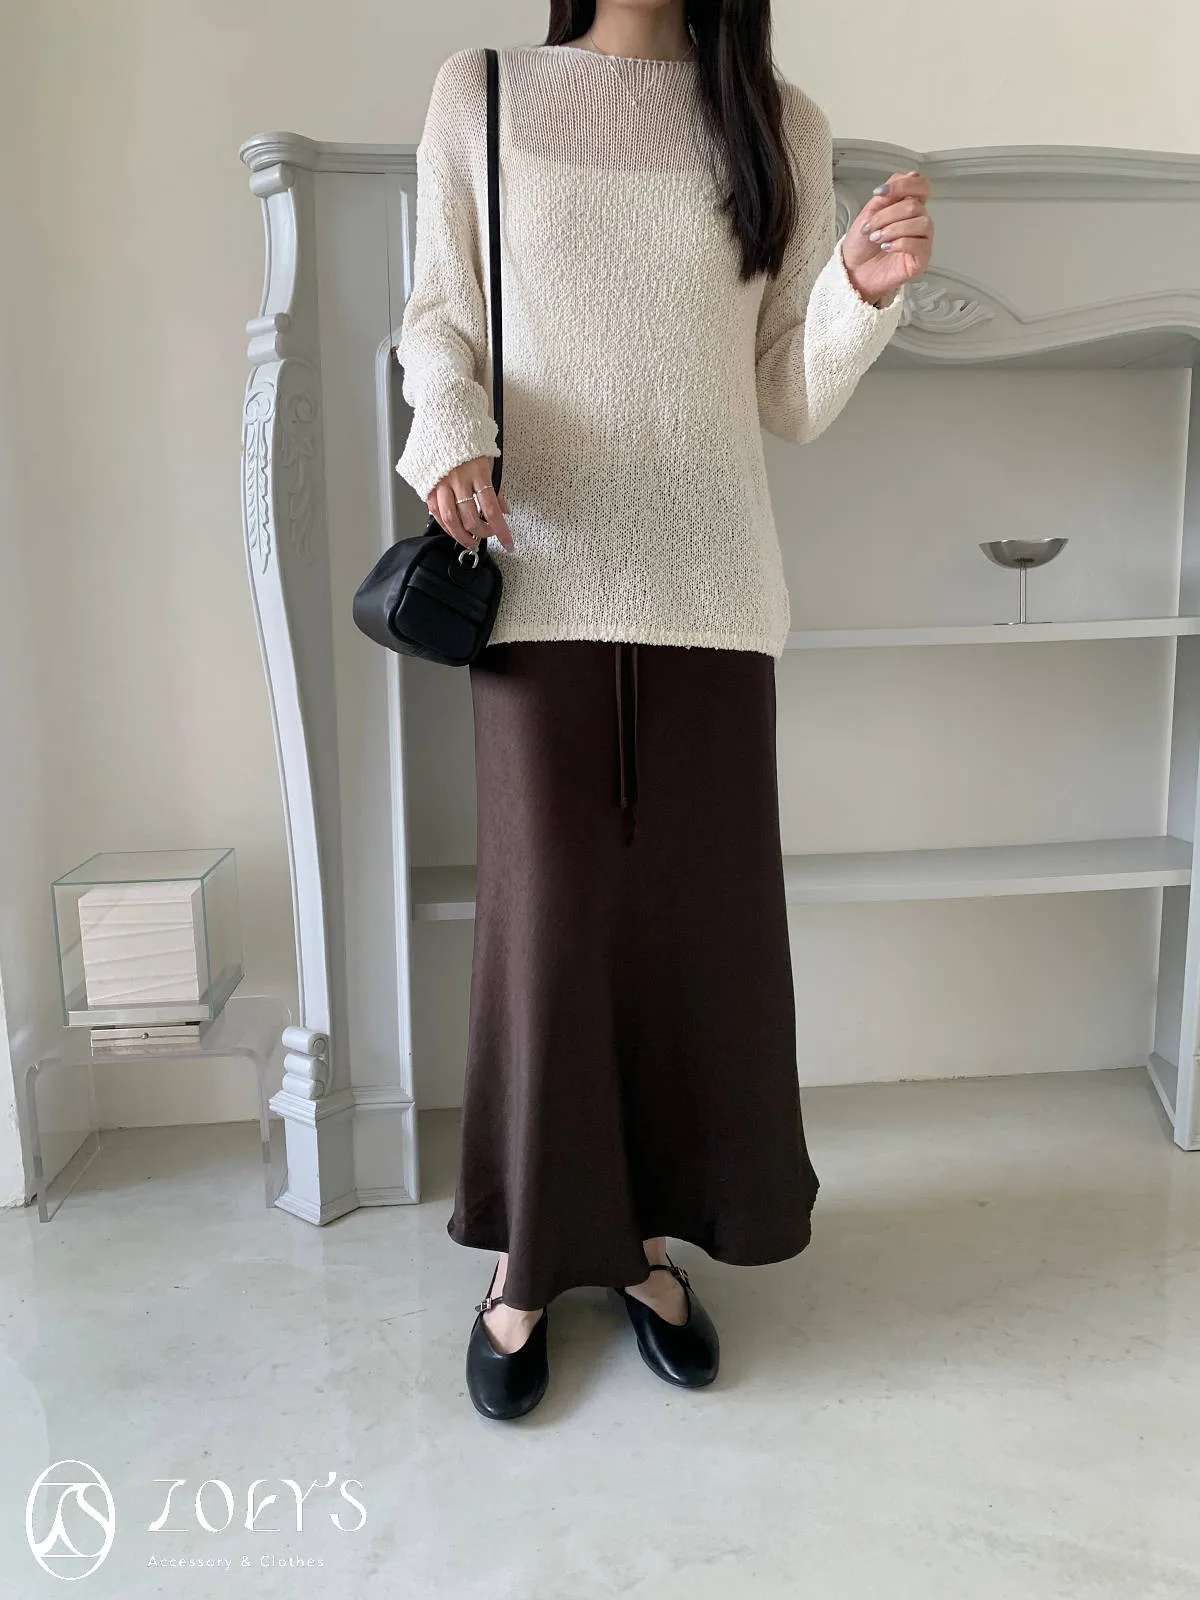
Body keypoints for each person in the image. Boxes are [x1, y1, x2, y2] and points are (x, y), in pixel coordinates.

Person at [394, 0, 933, 1421]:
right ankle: (525, 1261)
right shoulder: (483, 92)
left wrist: (858, 293)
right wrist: (447, 435)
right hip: (539, 578)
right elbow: (439, 318)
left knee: (692, 943)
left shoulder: (778, 123)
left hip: (715, 595)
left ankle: (638, 1245)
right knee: (553, 934)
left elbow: (786, 394)